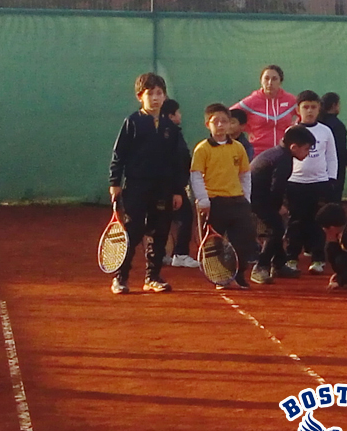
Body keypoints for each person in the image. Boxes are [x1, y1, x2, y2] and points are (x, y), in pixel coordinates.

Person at [108, 73, 189, 294]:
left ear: (164, 97)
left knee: (160, 232)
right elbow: (119, 155)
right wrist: (115, 182)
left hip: (163, 189)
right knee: (133, 232)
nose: (155, 98)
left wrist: (177, 190)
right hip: (136, 186)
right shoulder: (132, 122)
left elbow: (175, 162)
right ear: (140, 96)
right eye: (150, 93)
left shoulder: (169, 128)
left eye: (159, 93)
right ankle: (120, 278)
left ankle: (152, 277)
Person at [190, 103, 256, 289]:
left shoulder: (238, 148)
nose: (220, 125)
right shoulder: (202, 149)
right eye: (216, 121)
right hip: (214, 203)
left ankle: (239, 274)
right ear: (207, 125)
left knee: (244, 240)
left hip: (237, 202)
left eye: (224, 121)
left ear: (230, 124)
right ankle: (222, 277)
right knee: (215, 245)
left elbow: (245, 174)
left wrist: (246, 198)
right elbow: (196, 176)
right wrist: (203, 200)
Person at [248, 125, 315, 284]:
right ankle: (261, 267)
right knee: (276, 229)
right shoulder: (283, 159)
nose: (307, 153)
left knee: (278, 227)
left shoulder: (278, 153)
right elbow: (277, 187)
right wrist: (279, 206)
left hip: (259, 196)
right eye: (306, 149)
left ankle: (278, 264)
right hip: (258, 198)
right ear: (294, 147)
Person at [285, 90, 338, 275]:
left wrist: (331, 179)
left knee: (318, 223)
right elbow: (285, 158)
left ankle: (317, 259)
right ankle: (291, 258)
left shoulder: (326, 131)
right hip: (295, 184)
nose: (309, 111)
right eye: (305, 107)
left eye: (313, 107)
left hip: (319, 184)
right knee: (295, 222)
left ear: (319, 109)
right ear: (298, 109)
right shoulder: (290, 132)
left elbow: (332, 157)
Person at [161, 98, 199, 268]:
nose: (180, 115)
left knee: (163, 219)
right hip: (172, 186)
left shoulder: (164, 132)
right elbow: (179, 160)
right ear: (171, 115)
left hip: (166, 185)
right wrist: (178, 187)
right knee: (184, 217)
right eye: (178, 113)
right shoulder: (173, 134)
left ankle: (160, 254)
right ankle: (181, 254)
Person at [231, 65, 297, 159]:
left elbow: (304, 114)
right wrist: (245, 128)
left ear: (280, 81)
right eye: (266, 78)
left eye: (274, 79)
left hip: (283, 152)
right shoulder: (251, 101)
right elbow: (228, 117)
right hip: (257, 154)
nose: (270, 83)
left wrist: (295, 126)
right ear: (261, 80)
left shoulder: (290, 100)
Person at [319, 92, 347, 203]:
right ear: (334, 105)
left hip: (319, 168)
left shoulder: (317, 123)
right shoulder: (338, 125)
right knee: (334, 200)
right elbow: (341, 149)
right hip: (335, 169)